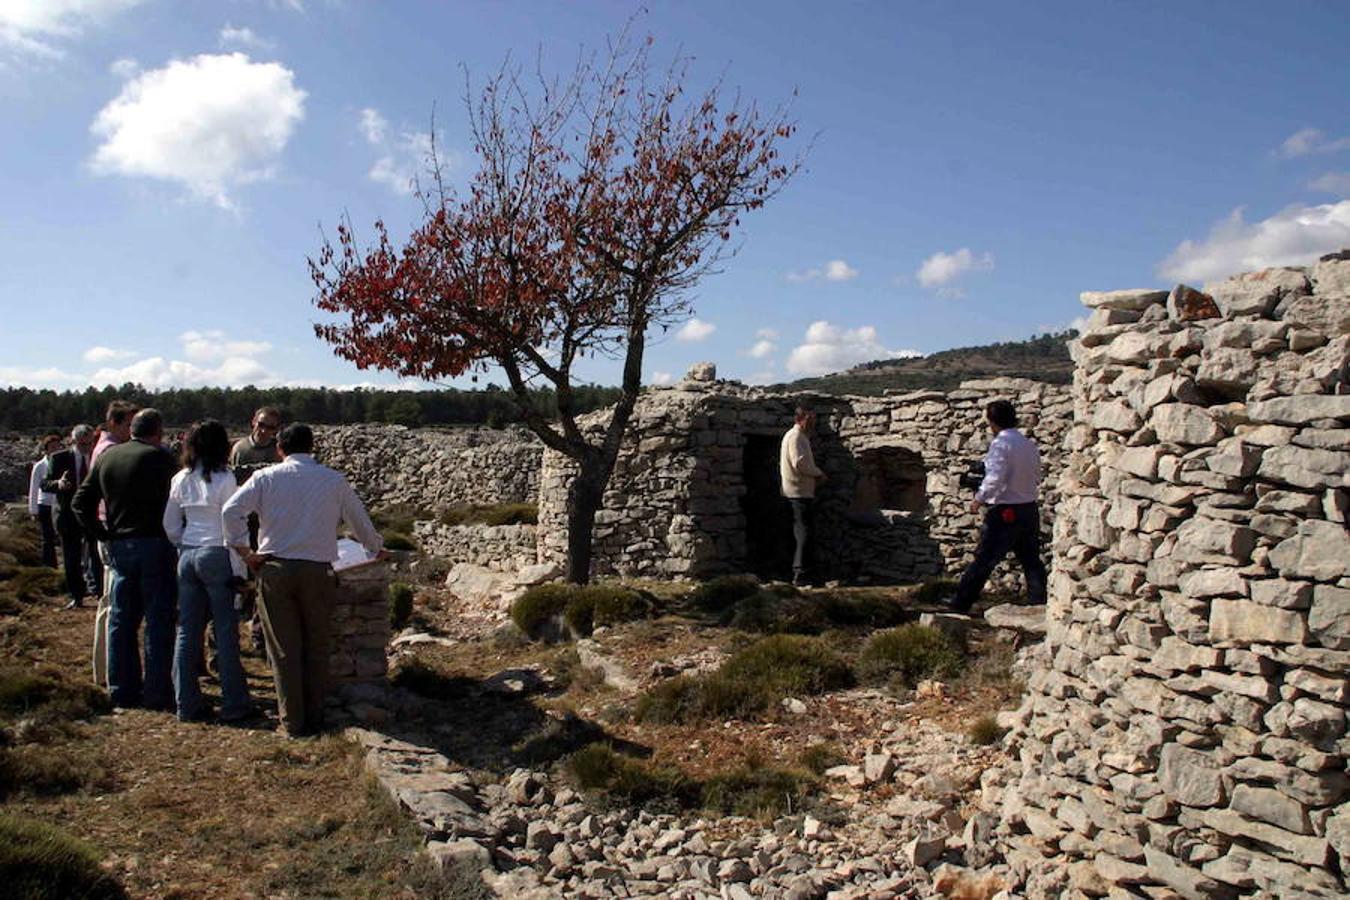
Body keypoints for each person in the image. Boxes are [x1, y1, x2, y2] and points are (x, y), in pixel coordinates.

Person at [223, 424, 386, 738]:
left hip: (275, 569)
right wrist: (376, 548)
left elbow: (231, 511)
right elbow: (360, 521)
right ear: (312, 448)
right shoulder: (333, 480)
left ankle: (292, 721)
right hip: (318, 571)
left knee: (284, 648)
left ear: (280, 449)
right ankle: (316, 716)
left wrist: (246, 552)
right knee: (316, 644)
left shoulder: (266, 478)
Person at [74, 408, 178, 710]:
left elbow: (81, 501)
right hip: (156, 545)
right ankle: (158, 692)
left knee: (121, 621)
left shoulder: (107, 456)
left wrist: (103, 534)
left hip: (121, 545)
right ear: (157, 432)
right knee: (158, 621)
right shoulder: (160, 458)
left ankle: (122, 689)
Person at [164, 420, 254, 723]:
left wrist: (184, 544)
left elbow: (170, 525)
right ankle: (234, 703)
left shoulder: (180, 478)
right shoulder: (225, 478)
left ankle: (185, 702)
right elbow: (233, 523)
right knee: (225, 631)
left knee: (187, 630)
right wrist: (240, 565)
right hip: (218, 552)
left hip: (188, 553)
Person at [946, 400, 1048, 615]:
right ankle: (1038, 602)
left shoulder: (1001, 445)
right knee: (1031, 560)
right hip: (1028, 508)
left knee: (984, 559)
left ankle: (960, 603)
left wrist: (979, 498)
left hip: (1005, 510)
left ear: (992, 422)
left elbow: (995, 477)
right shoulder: (1028, 444)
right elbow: (1037, 474)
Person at [229, 406, 283, 654]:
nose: (264, 431)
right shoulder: (240, 449)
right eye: (262, 425)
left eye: (271, 427)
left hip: (268, 525)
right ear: (253, 422)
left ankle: (259, 634)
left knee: (265, 580)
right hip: (243, 523)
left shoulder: (277, 452)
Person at [42, 425, 99, 609]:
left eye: (89, 443)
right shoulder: (59, 458)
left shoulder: (99, 457)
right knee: (71, 558)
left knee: (96, 555)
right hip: (67, 515)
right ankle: (77, 596)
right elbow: (44, 484)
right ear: (73, 441)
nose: (86, 447)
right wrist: (58, 483)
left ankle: (99, 592)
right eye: (82, 444)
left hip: (92, 514)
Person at [779, 405, 827, 587]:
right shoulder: (797, 437)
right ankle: (801, 573)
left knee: (799, 532)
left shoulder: (795, 436)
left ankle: (797, 570)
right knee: (803, 533)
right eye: (810, 419)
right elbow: (799, 463)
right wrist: (818, 473)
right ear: (800, 419)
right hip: (798, 493)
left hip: (795, 492)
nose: (813, 423)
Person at [27, 434, 63, 569]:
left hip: (59, 504)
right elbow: (34, 488)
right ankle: (49, 565)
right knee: (47, 538)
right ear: (46, 449)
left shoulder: (63, 463)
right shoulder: (40, 466)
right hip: (45, 505)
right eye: (52, 447)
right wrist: (33, 510)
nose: (55, 449)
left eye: (57, 447)